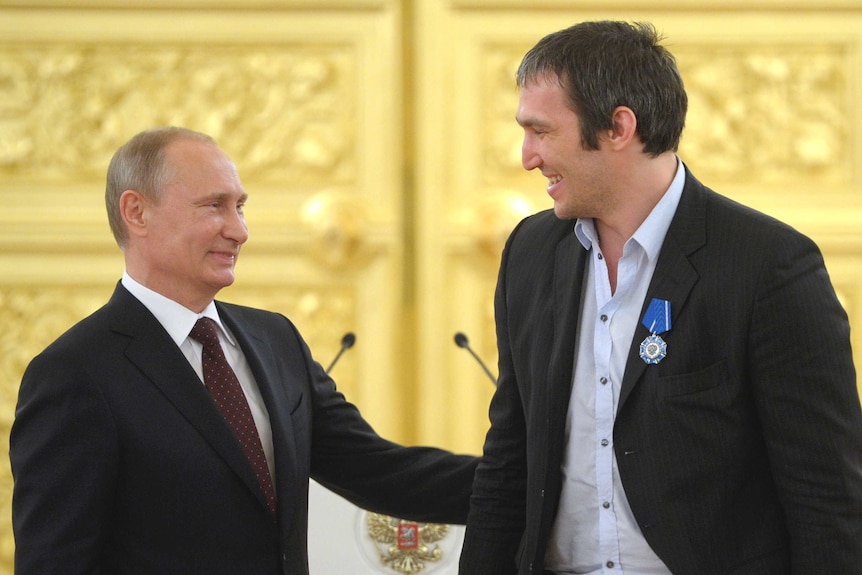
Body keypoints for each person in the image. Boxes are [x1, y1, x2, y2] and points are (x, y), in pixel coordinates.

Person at [458, 20, 862, 575]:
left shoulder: (769, 266)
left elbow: (826, 497)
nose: (527, 157)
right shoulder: (530, 252)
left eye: (542, 132)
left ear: (619, 127)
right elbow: (508, 459)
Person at [10, 126, 478, 575]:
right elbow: (56, 563)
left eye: (241, 207)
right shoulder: (75, 374)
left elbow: (378, 470)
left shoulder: (274, 340)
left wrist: (536, 483)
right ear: (136, 212)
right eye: (214, 206)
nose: (239, 230)